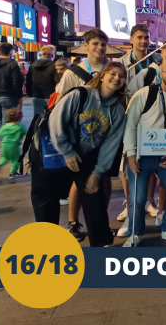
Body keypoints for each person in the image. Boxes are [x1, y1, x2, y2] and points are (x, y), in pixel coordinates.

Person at [49, 62, 128, 247]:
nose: (117, 78)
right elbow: (56, 121)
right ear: (102, 75)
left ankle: (101, 242)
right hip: (59, 152)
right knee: (48, 200)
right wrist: (67, 152)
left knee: (94, 198)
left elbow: (111, 144)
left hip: (87, 156)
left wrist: (97, 172)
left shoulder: (117, 110)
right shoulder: (80, 94)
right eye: (113, 74)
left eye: (121, 76)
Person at [122, 58, 166, 246]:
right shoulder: (144, 94)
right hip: (141, 156)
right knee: (138, 198)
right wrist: (131, 154)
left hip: (165, 155)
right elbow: (130, 125)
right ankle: (135, 233)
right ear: (161, 72)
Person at [53, 29, 110, 240]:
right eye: (95, 43)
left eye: (103, 44)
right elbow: (59, 105)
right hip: (80, 136)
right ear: (86, 45)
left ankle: (101, 223)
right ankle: (73, 223)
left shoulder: (111, 69)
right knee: (79, 181)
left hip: (106, 134)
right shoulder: (72, 72)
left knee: (103, 179)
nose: (99, 48)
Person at [118, 25, 161, 101]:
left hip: (154, 105)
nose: (143, 41)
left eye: (146, 38)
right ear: (131, 40)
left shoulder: (159, 60)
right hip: (132, 105)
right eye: (139, 37)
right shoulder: (121, 63)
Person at [0, 43, 25, 128]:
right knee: (7, 122)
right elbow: (16, 82)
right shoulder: (13, 64)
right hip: (8, 97)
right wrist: (18, 96)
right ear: (11, 52)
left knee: (0, 121)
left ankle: (2, 140)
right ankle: (6, 141)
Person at [0, 107, 27, 178]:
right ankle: (13, 173)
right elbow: (28, 133)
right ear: (20, 117)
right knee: (16, 159)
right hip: (14, 146)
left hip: (4, 145)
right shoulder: (20, 126)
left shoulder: (5, 126)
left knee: (4, 158)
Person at [26, 45, 57, 115]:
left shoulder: (33, 65)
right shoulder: (54, 66)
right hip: (50, 96)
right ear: (52, 55)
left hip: (36, 95)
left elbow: (28, 81)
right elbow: (57, 82)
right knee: (51, 119)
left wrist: (30, 93)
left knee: (37, 119)